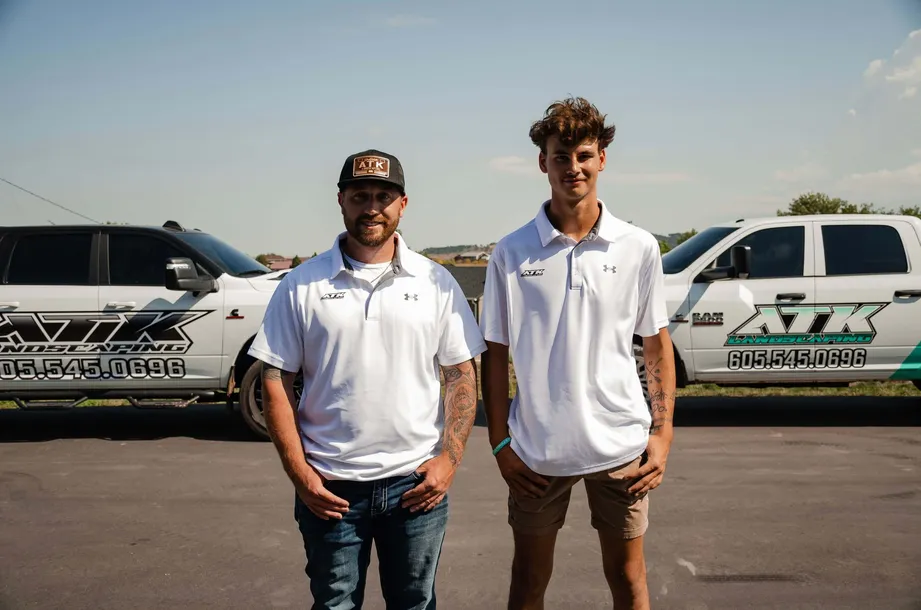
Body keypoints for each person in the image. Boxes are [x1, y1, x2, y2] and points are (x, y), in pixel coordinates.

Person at [248, 148, 486, 610]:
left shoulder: (436, 282)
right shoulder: (302, 284)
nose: (372, 207)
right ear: (341, 201)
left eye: (383, 196)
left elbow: (460, 374)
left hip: (414, 486)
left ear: (403, 204)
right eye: (360, 196)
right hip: (331, 486)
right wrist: (300, 474)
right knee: (335, 605)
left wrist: (448, 462)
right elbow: (274, 379)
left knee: (414, 604)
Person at [479, 97, 677, 610]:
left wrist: (662, 434)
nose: (573, 167)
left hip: (620, 448)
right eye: (561, 156)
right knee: (528, 582)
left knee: (629, 580)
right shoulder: (512, 251)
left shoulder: (638, 246)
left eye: (584, 155)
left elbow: (655, 346)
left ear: (602, 159)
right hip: (536, 453)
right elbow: (495, 354)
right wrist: (501, 444)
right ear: (543, 162)